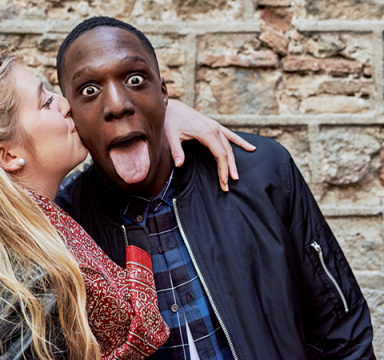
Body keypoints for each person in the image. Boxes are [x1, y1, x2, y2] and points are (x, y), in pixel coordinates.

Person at [0, 49, 254, 360]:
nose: (65, 104)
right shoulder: (34, 292)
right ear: (8, 157)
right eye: (45, 102)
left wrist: (161, 113)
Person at [55, 16, 375, 360]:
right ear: (70, 115)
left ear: (163, 93)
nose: (117, 104)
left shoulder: (262, 171)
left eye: (135, 79)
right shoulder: (64, 227)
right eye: (89, 90)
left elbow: (343, 331)